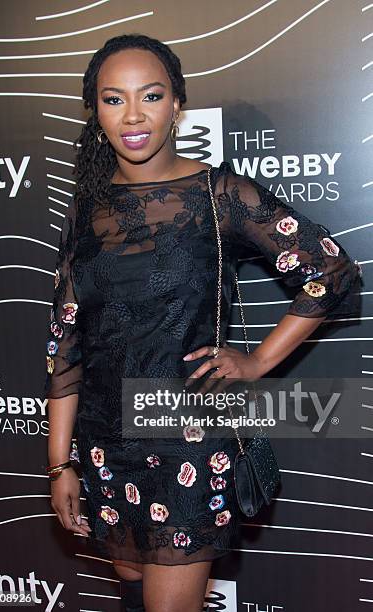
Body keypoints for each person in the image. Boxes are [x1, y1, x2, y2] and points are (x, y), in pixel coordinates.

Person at [43, 33, 362, 612]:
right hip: (104, 439)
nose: (133, 115)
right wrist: (59, 462)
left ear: (177, 104)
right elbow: (66, 342)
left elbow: (331, 271)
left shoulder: (218, 195)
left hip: (187, 437)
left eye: (151, 95)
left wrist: (259, 360)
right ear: (95, 113)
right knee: (134, 586)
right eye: (114, 100)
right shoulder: (86, 210)